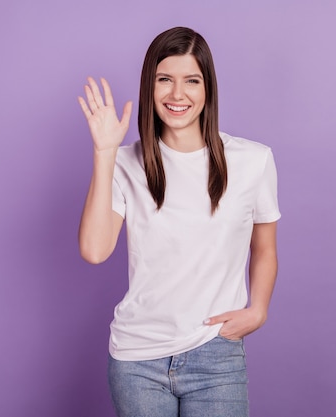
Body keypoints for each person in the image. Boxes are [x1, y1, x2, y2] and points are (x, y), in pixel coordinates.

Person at [77, 26, 281, 417]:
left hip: (216, 356)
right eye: (164, 80)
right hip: (138, 361)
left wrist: (259, 309)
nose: (177, 94)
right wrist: (105, 152)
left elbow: (265, 248)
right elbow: (94, 250)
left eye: (191, 80)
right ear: (148, 87)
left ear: (207, 89)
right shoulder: (124, 163)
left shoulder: (253, 161)